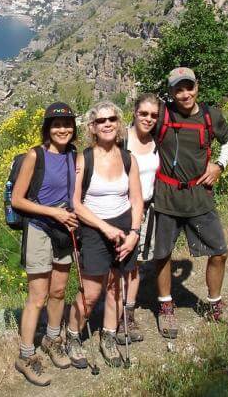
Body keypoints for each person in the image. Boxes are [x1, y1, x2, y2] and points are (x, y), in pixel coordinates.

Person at [151, 67, 228, 339]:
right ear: (171, 91)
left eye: (189, 87)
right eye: (178, 89)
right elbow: (138, 129)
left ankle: (214, 304)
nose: (185, 94)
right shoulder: (162, 114)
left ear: (197, 86)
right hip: (166, 197)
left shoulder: (211, 116)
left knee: (219, 251)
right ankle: (165, 306)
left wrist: (220, 165)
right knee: (162, 254)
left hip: (200, 196)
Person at [66, 101, 144, 368]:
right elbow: (75, 203)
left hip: (125, 226)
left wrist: (134, 233)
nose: (108, 124)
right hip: (94, 228)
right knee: (91, 291)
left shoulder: (127, 158)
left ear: (119, 124)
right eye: (101, 121)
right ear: (92, 127)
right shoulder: (83, 160)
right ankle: (73, 335)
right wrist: (105, 227)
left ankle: (108, 336)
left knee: (118, 286)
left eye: (112, 119)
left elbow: (136, 198)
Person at [11, 102, 79, 387]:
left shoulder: (74, 155)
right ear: (47, 129)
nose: (62, 129)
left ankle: (52, 340)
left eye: (67, 125)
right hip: (40, 228)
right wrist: (54, 212)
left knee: (59, 291)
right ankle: (26, 356)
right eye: (56, 125)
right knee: (37, 296)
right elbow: (18, 199)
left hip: (65, 229)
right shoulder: (35, 155)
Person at [118, 93, 160, 345]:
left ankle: (128, 314)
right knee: (118, 264)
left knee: (134, 266)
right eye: (143, 113)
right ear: (134, 112)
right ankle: (114, 313)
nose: (148, 119)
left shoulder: (158, 141)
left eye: (153, 115)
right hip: (121, 208)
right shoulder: (122, 139)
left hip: (146, 209)